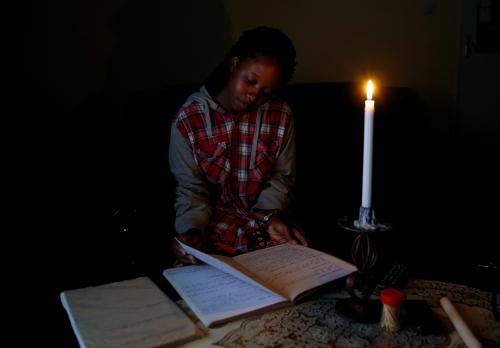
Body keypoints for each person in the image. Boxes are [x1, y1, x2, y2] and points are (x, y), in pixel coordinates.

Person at [169, 26, 307, 265]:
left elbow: (282, 177)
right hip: (212, 234)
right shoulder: (189, 119)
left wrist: (270, 217)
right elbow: (191, 188)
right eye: (250, 81)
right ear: (234, 64)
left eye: (266, 92)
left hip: (263, 230)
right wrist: (192, 231)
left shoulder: (280, 115)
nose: (254, 96)